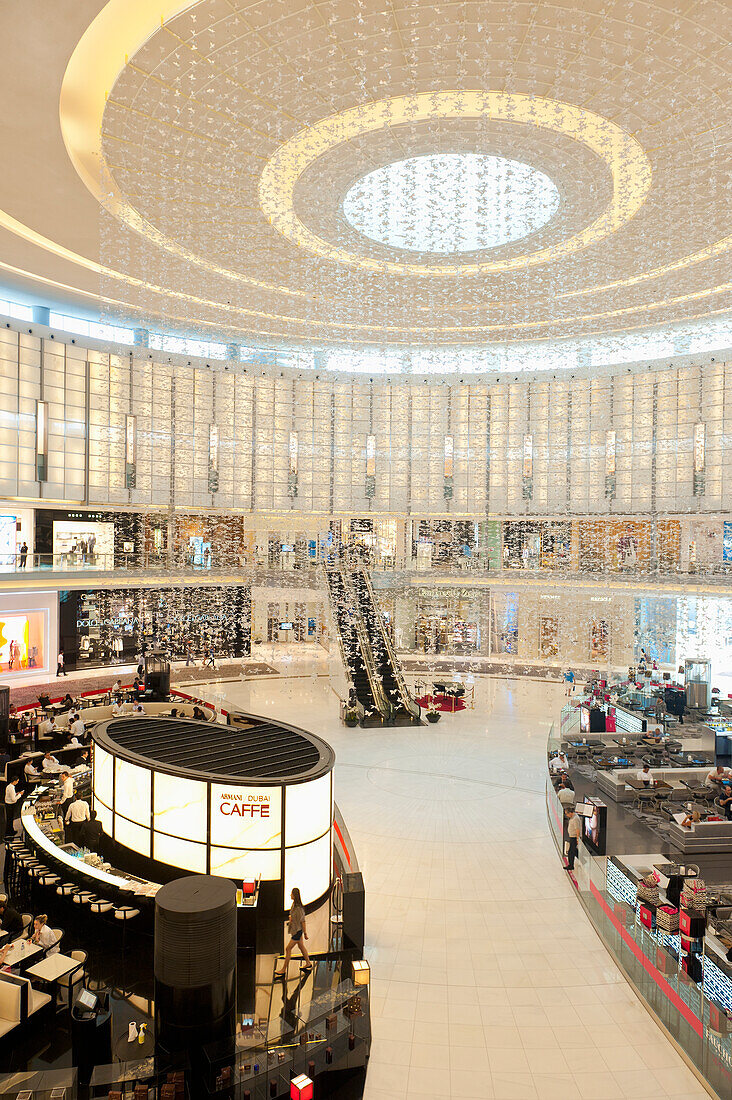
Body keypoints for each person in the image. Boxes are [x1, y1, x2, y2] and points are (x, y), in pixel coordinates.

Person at [274, 887, 312, 976]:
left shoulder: (298, 908)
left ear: (294, 895)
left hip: (297, 932)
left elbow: (303, 921)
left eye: (291, 894)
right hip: (296, 930)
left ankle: (283, 970)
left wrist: (305, 933)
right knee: (301, 946)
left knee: (288, 949)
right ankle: (308, 963)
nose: (290, 895)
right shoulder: (294, 905)